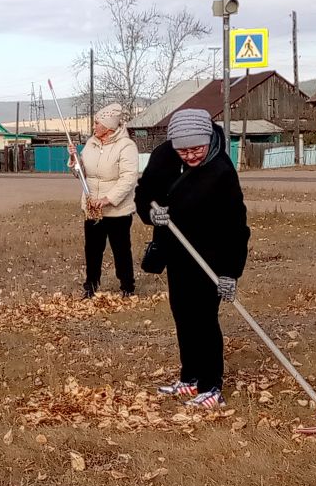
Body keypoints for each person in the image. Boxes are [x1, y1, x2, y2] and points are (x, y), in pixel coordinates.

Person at [135, 109, 248, 410]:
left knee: (204, 319)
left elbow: (237, 227)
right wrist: (150, 214)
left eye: (196, 149)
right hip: (176, 252)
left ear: (208, 140)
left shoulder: (221, 171)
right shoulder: (163, 156)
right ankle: (191, 378)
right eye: (183, 150)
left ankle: (212, 386)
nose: (190, 156)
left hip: (212, 256)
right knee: (183, 315)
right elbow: (143, 194)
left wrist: (229, 273)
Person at [74, 103, 141, 298]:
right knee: (92, 250)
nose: (94, 126)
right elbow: (81, 173)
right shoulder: (91, 143)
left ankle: (127, 286)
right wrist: (73, 160)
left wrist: (108, 199)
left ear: (108, 126)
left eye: (97, 123)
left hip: (117, 210)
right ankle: (91, 286)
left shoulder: (126, 146)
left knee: (121, 250)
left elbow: (129, 178)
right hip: (92, 208)